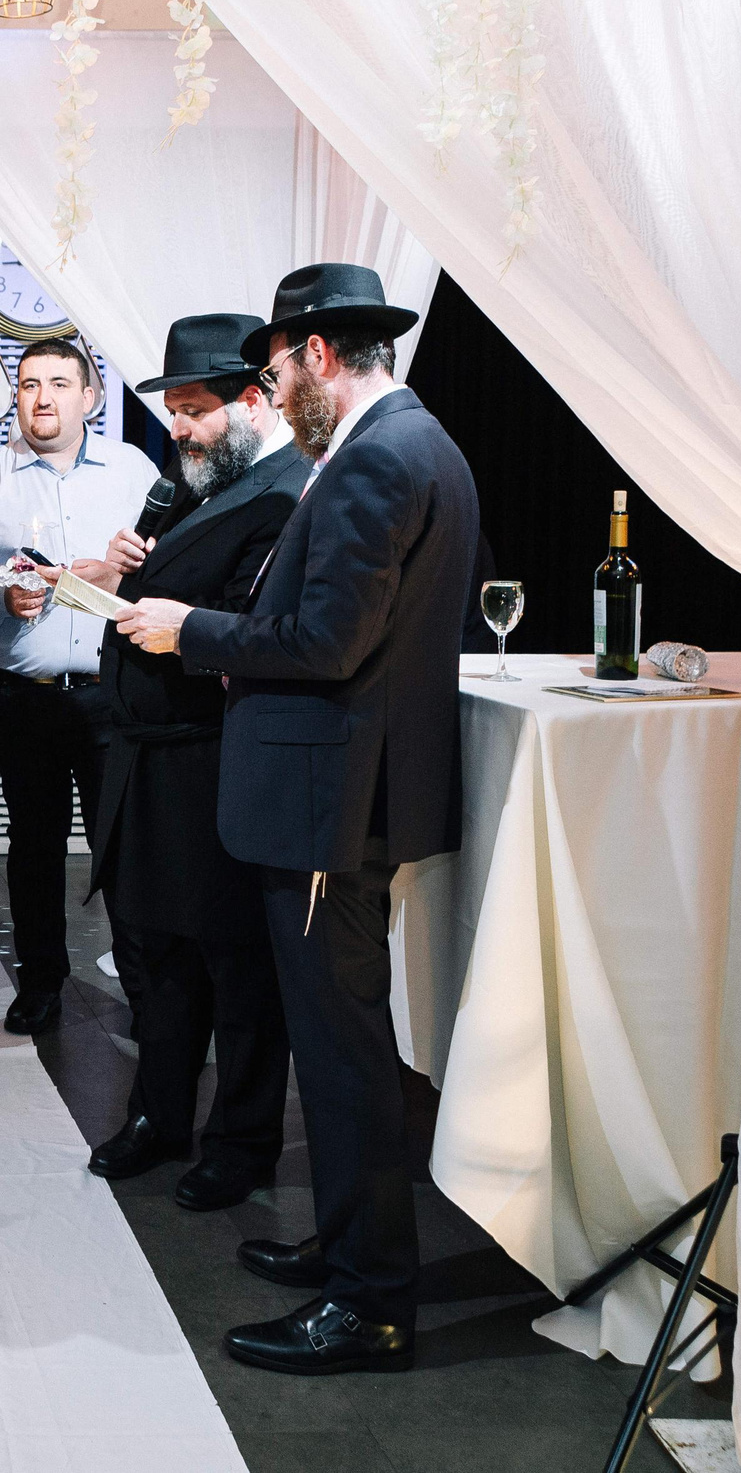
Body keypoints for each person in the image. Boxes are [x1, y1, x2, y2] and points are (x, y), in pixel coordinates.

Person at [116, 264, 478, 1377]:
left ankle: (368, 1302)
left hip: (330, 805)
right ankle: (342, 1252)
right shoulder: (407, 445)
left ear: (316, 354)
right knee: (340, 1053)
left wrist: (193, 632)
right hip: (343, 793)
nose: (273, 392)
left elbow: (326, 643)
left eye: (273, 369)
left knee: (343, 1062)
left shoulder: (377, 460)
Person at [70, 316, 305, 1221]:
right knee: (157, 965)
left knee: (236, 971)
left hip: (215, 763)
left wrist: (157, 599)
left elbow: (235, 629)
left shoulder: (285, 494)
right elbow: (151, 610)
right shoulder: (187, 487)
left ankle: (239, 1143)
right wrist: (123, 569)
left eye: (195, 409)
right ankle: (158, 1117)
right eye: (172, 410)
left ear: (252, 400)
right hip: (146, 767)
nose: (178, 427)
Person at [0, 337, 158, 1035]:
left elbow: (163, 573)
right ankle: (42, 981)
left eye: (57, 383)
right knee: (35, 844)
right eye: (29, 384)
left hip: (113, 693)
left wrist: (133, 566)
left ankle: (143, 984)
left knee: (125, 847)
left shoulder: (133, 471)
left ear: (89, 397)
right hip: (25, 694)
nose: (41, 397)